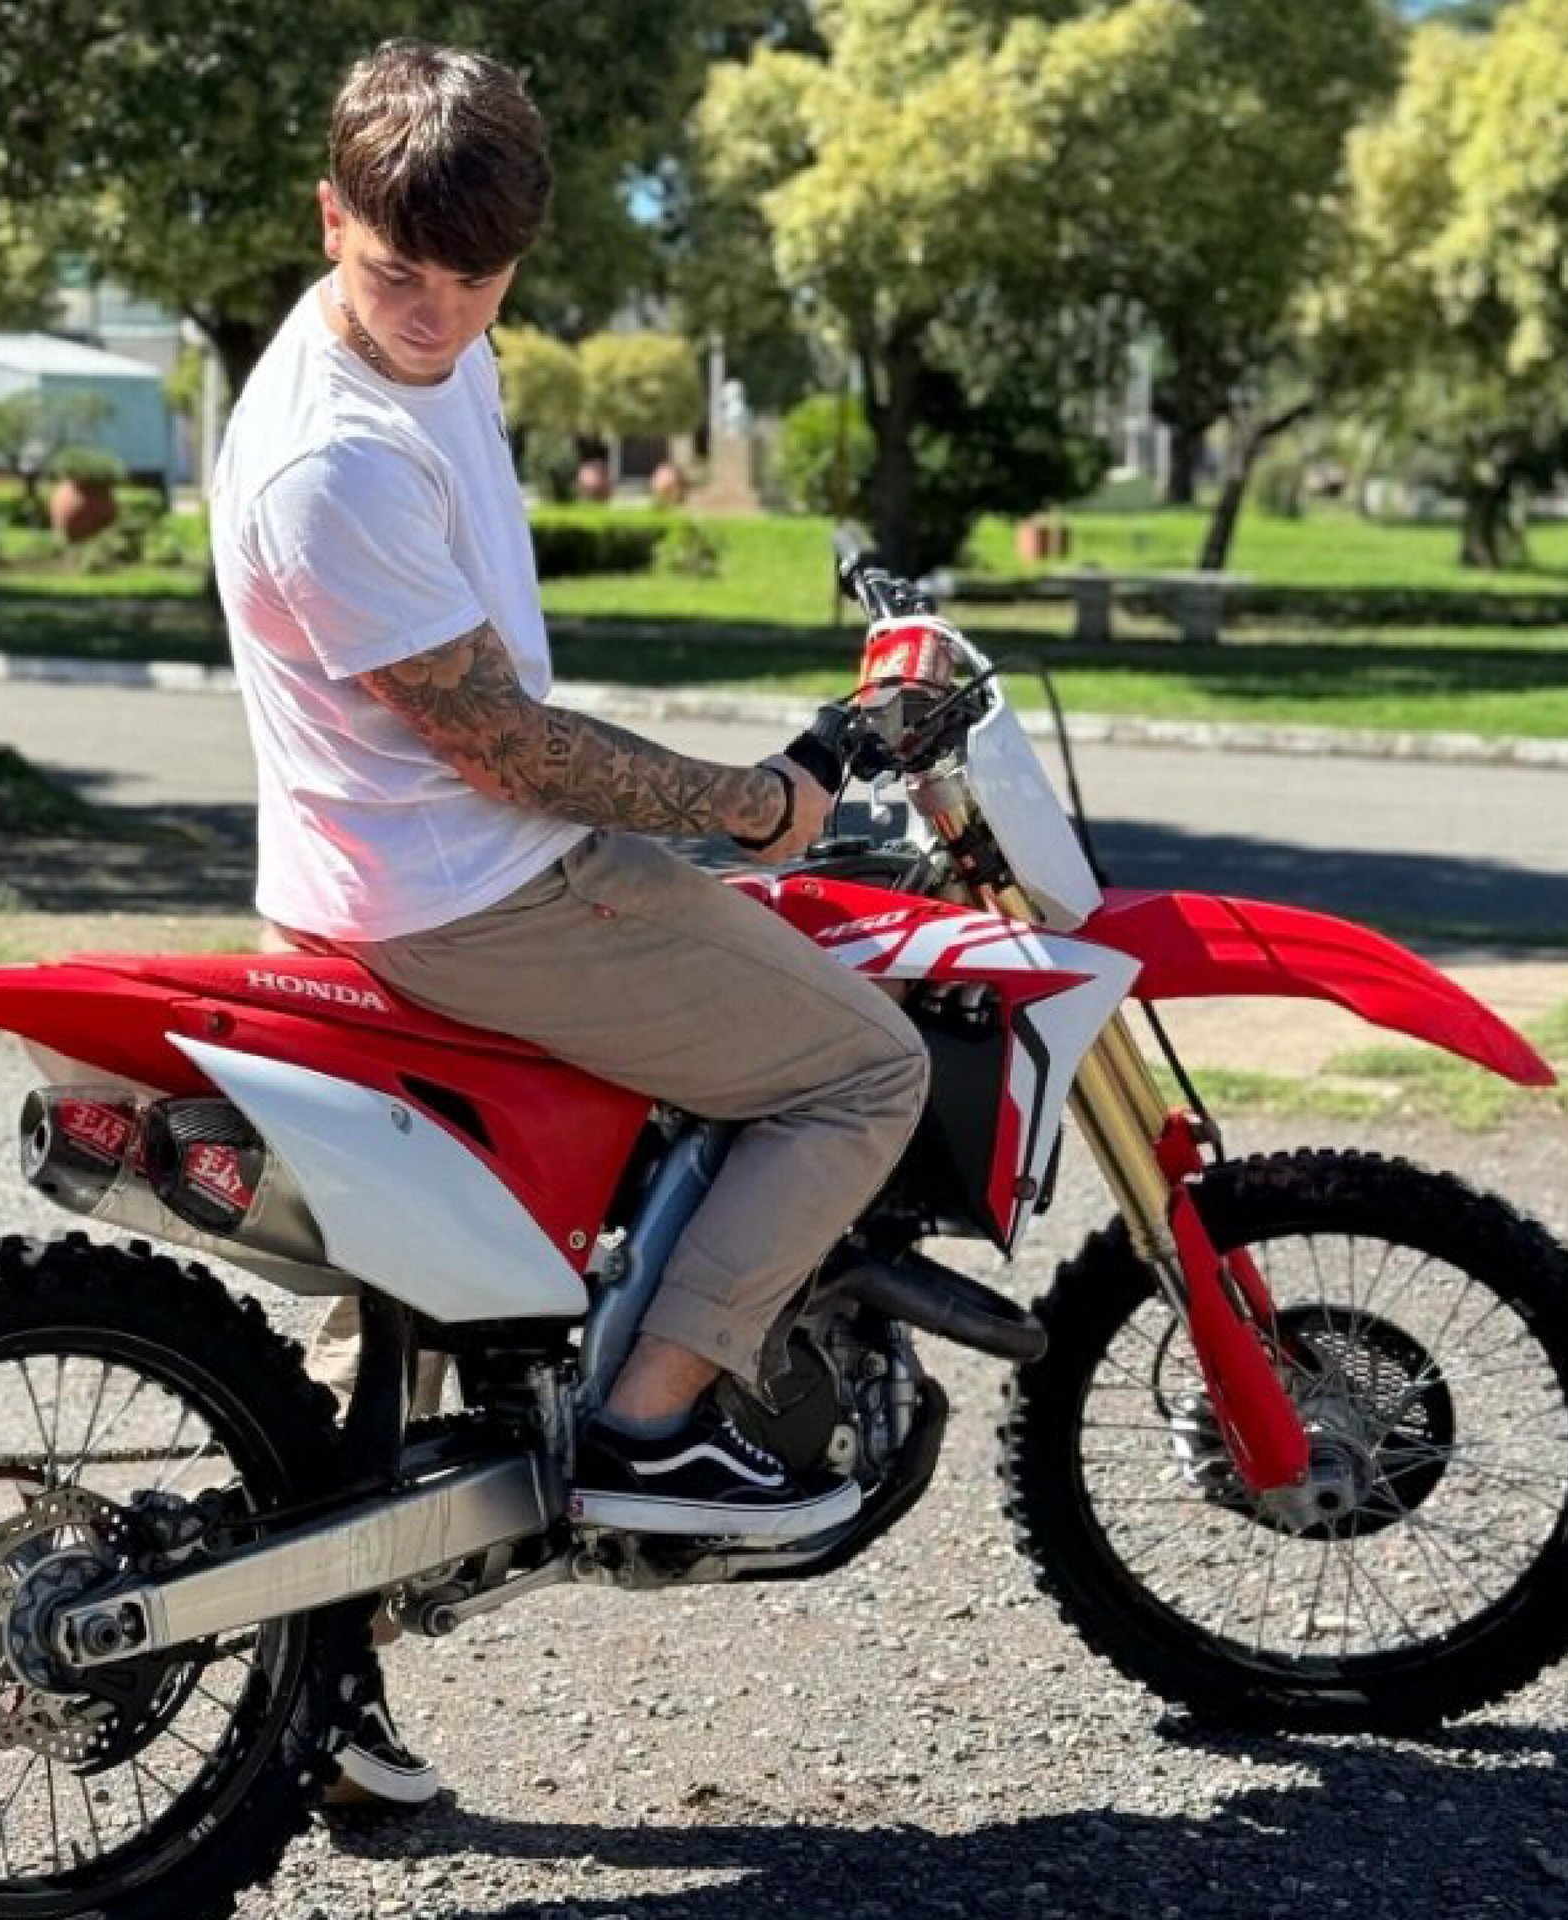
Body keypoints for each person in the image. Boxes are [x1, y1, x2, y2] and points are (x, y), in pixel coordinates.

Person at [211, 39, 929, 1808]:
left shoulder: (420, 345)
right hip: (476, 891)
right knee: (861, 1067)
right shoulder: (332, 464)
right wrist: (755, 803)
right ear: (330, 215)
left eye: (478, 280)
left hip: (364, 875)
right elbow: (512, 753)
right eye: (403, 271)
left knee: (396, 1312)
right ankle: (651, 1425)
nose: (440, 314)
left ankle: (315, 1695)